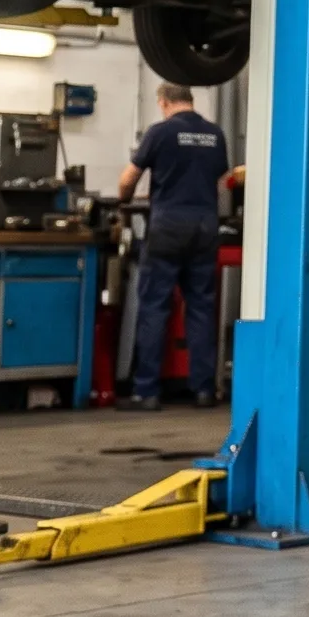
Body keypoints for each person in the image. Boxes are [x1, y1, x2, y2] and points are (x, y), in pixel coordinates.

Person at [118, 82, 230, 411]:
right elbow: (220, 178)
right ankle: (203, 390)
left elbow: (128, 179)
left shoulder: (160, 132)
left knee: (154, 306)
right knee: (200, 308)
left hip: (168, 228)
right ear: (190, 101)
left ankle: (147, 391)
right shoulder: (215, 134)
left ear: (164, 102)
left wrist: (123, 202)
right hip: (205, 226)